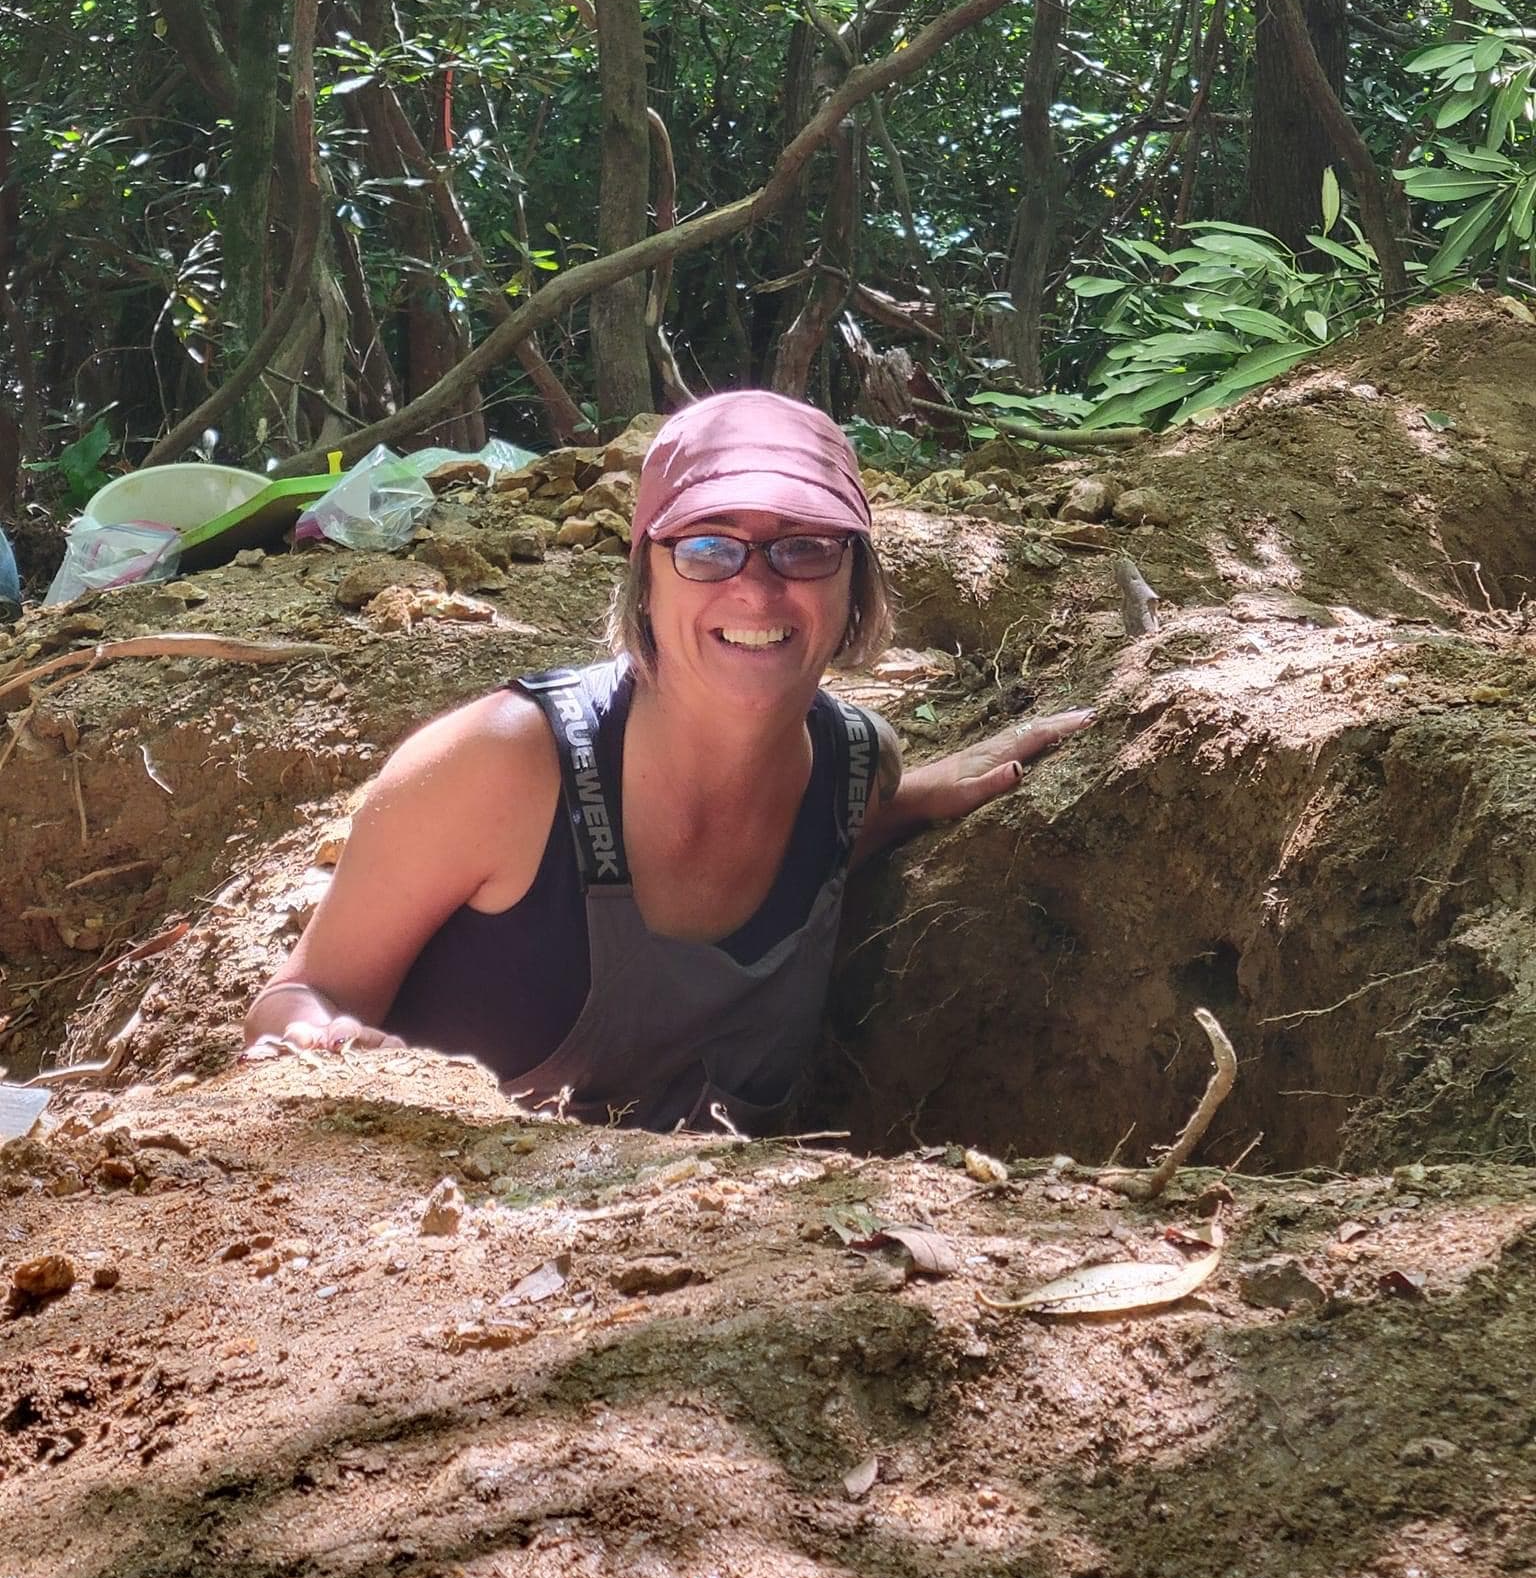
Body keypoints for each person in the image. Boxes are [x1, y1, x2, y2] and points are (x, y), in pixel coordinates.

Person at [245, 391, 1091, 1131]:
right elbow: (302, 995)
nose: (755, 588)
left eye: (805, 547)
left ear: (855, 582)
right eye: (706, 547)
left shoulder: (854, 774)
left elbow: (840, 840)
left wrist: (917, 797)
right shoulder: (499, 765)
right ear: (645, 579)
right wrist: (325, 1042)